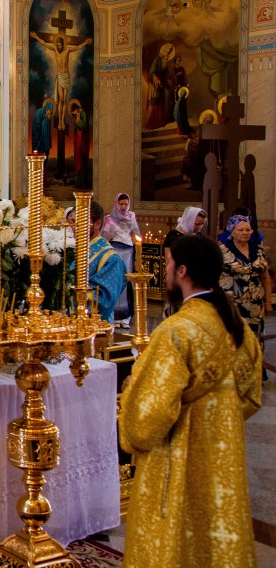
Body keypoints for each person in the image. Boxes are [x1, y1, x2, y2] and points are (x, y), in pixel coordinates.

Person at [119, 235, 262, 567]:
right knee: (215, 534)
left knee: (176, 539)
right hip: (223, 457)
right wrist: (216, 419)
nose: (165, 269)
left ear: (182, 271)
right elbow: (251, 397)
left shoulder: (175, 331)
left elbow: (146, 423)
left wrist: (131, 391)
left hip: (177, 458)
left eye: (168, 263)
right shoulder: (238, 328)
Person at [219, 215, 272, 380]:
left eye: (248, 229)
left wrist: (268, 302)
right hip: (233, 302)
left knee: (255, 337)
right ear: (232, 231)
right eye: (240, 230)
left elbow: (265, 278)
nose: (245, 233)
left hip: (256, 302)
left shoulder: (258, 250)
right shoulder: (223, 251)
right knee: (235, 336)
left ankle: (254, 373)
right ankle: (233, 373)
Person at [101, 193, 140, 327]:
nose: (123, 207)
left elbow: (135, 234)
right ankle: (115, 315)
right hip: (115, 249)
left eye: (125, 204)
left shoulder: (131, 216)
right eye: (121, 204)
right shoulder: (109, 219)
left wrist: (137, 257)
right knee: (115, 281)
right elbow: (105, 236)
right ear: (116, 204)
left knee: (126, 281)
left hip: (128, 251)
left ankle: (125, 317)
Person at [85, 201, 127, 324]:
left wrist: (68, 295)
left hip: (95, 330)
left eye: (81, 221)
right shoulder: (71, 251)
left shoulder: (111, 259)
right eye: (72, 221)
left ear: (97, 224)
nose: (73, 226)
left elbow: (104, 302)